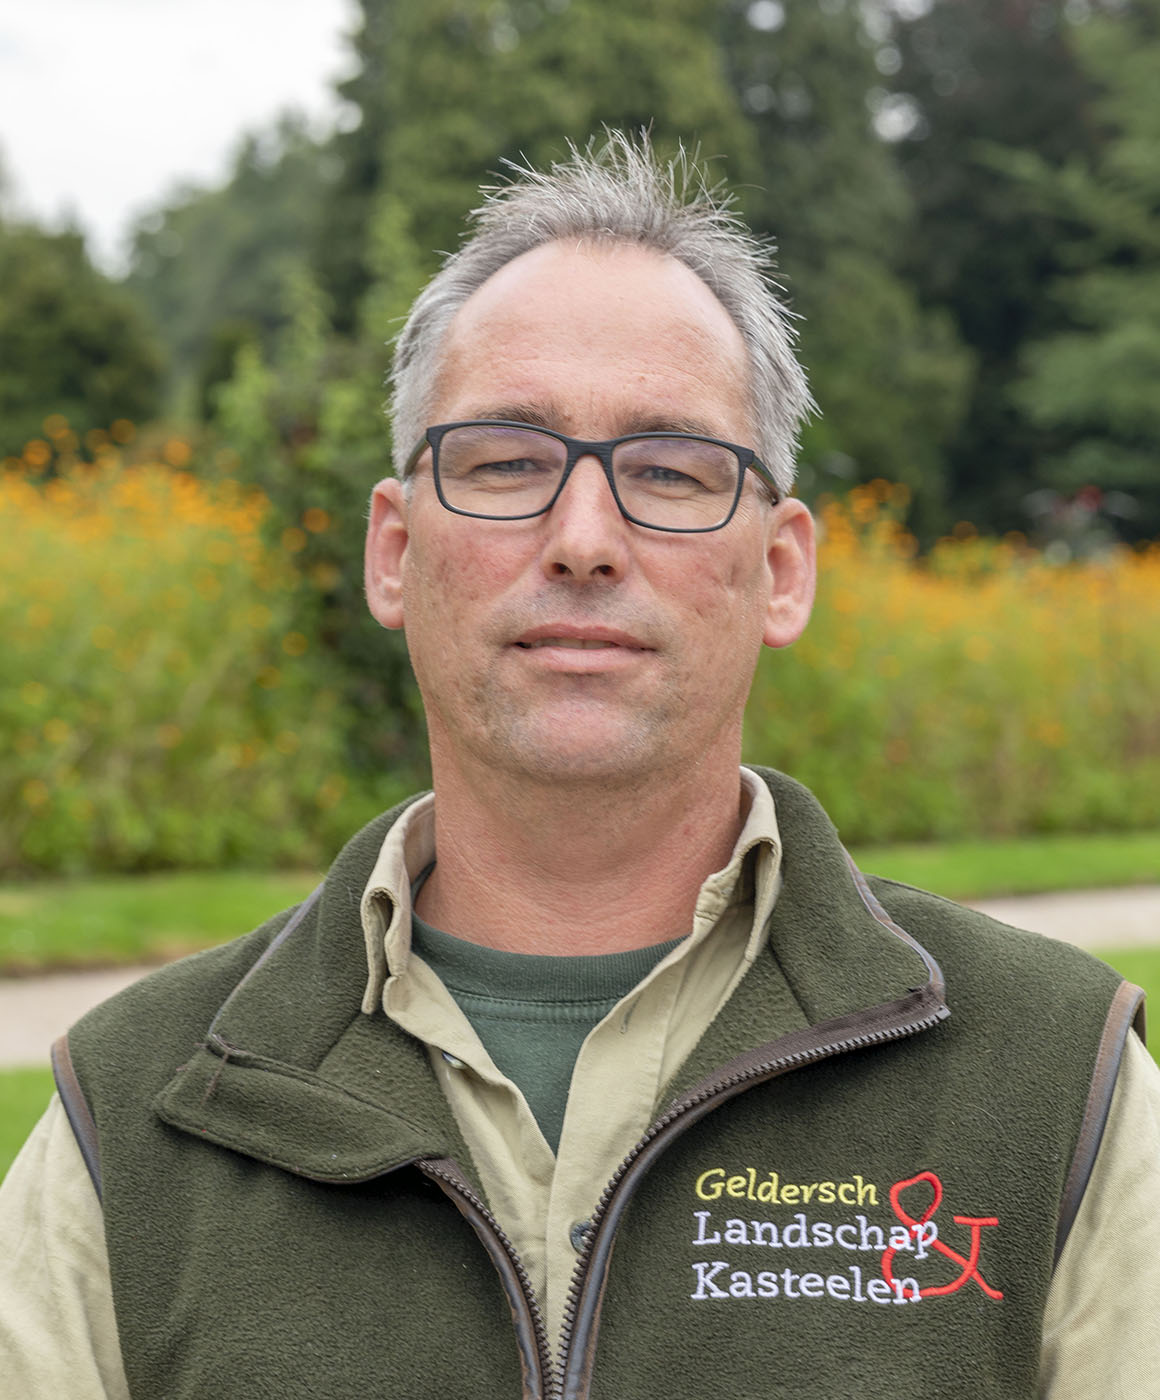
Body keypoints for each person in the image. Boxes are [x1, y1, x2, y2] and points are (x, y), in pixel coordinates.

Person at [2, 132, 1158, 1399]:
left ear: (779, 569)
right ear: (394, 551)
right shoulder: (133, 1117)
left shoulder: (1061, 1090)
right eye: (506, 462)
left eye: (669, 470)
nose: (585, 539)